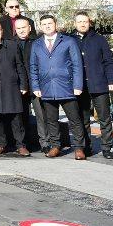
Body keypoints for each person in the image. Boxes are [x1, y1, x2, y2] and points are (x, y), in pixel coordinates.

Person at [29, 14, 86, 160]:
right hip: (46, 88)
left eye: (50, 23)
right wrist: (35, 86)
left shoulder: (68, 41)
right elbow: (33, 67)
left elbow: (77, 64)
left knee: (74, 119)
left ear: (55, 24)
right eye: (44, 24)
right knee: (51, 120)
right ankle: (55, 146)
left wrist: (77, 85)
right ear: (40, 27)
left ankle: (79, 147)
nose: (47, 26)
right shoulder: (36, 44)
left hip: (67, 87)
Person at [72, 12, 113, 159]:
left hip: (99, 84)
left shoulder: (99, 39)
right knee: (83, 119)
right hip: (80, 87)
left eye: (85, 21)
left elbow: (108, 62)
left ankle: (106, 147)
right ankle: (87, 146)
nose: (83, 24)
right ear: (75, 24)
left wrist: (111, 81)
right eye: (80, 22)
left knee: (104, 118)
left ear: (89, 23)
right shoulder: (70, 40)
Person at [0, 20, 30, 156]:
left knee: (16, 118)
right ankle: (0, 144)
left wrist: (23, 85)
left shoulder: (12, 45)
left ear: (2, 31)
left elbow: (20, 66)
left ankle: (21, 145)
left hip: (12, 86)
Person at [16, 18, 47, 152]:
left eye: (24, 27)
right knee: (21, 117)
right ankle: (23, 144)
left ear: (30, 27)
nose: (22, 30)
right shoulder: (11, 44)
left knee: (41, 116)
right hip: (19, 87)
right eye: (18, 28)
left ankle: (45, 144)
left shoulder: (38, 42)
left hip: (37, 85)